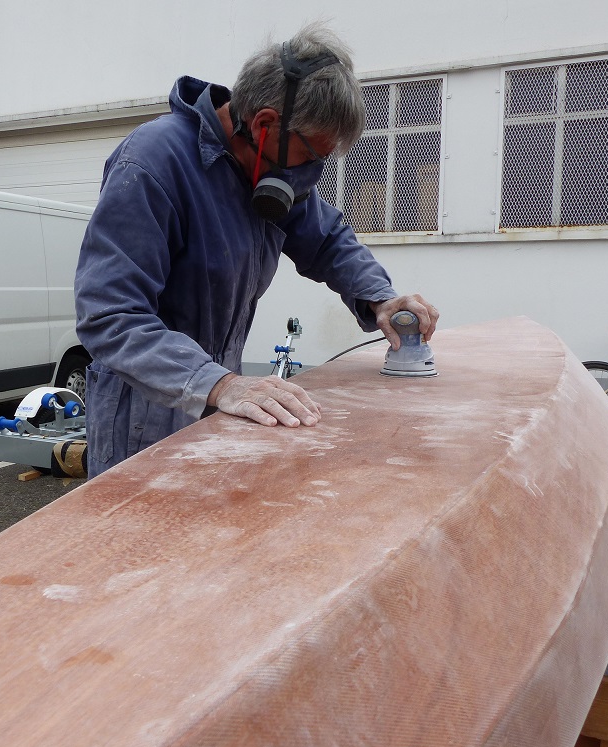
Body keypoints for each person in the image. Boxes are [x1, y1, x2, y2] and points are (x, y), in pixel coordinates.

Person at [75, 22, 439, 477]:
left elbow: (327, 239)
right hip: (141, 420)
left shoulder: (267, 174)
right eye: (311, 158)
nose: (312, 176)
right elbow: (110, 314)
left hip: (220, 401)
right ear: (265, 125)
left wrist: (380, 298)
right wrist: (220, 384)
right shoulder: (153, 164)